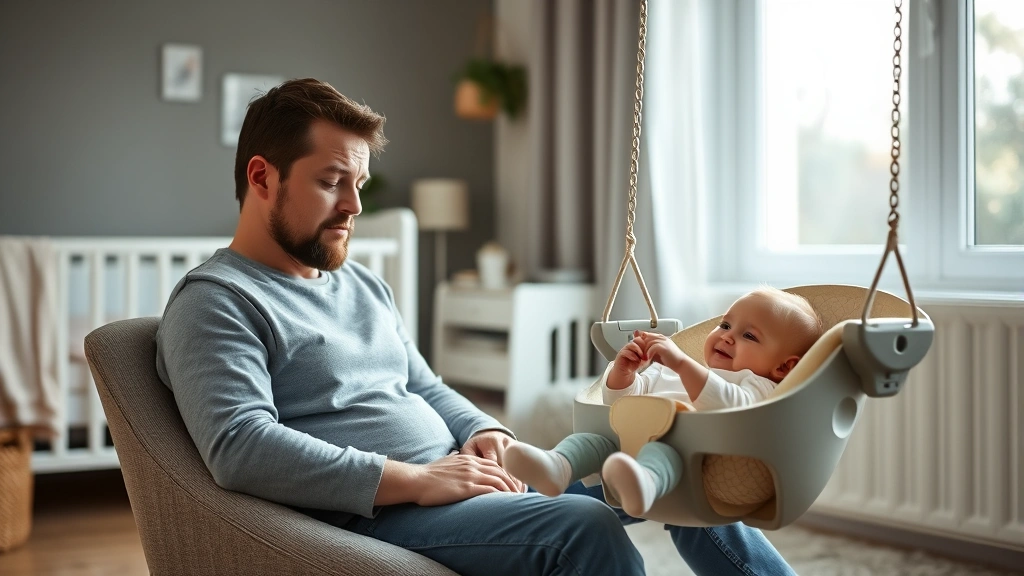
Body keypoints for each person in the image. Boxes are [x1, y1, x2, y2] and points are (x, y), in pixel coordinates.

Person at [155, 77, 799, 576]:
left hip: (457, 481)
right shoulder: (217, 303)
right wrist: (417, 479)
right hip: (379, 514)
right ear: (262, 177)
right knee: (584, 528)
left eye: (359, 183)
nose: (354, 206)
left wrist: (482, 430)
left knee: (683, 472)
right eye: (331, 183)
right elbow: (241, 447)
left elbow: (425, 385)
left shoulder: (359, 283)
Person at [505, 287, 824, 517]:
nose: (727, 336)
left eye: (749, 336)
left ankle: (643, 484)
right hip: (626, 441)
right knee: (593, 439)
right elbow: (621, 402)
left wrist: (683, 365)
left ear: (783, 367)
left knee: (663, 451)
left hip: (687, 461)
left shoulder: (758, 386)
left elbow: (731, 407)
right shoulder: (677, 370)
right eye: (726, 325)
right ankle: (557, 467)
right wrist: (624, 373)